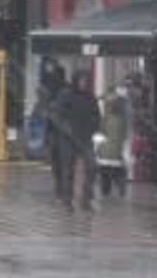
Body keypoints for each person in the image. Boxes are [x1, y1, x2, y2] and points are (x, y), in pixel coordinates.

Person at [51, 70, 101, 204]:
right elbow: (56, 115)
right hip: (68, 138)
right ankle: (67, 197)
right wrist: (65, 128)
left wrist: (94, 128)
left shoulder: (90, 97)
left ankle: (87, 197)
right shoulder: (65, 95)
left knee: (92, 165)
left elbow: (96, 115)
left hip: (85, 137)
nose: (83, 83)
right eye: (81, 80)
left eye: (85, 80)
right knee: (68, 169)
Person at [96, 86, 129, 198]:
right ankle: (120, 186)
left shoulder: (106, 119)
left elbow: (101, 132)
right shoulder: (123, 120)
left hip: (105, 152)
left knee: (105, 171)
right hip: (117, 152)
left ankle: (106, 190)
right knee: (117, 171)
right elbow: (124, 136)